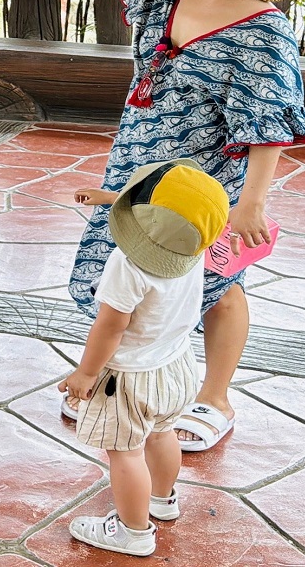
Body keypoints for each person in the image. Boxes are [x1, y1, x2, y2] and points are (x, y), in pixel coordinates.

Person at [62, 0, 305, 452]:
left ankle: (214, 397)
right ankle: (117, 376)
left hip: (207, 180)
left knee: (214, 287)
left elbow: (271, 118)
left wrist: (252, 201)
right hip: (137, 161)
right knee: (129, 271)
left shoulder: (264, 30)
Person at [59, 159, 230, 557]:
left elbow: (110, 327)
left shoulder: (127, 264)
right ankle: (162, 500)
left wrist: (86, 373)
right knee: (161, 433)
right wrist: (110, 199)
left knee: (125, 454)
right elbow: (172, 219)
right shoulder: (192, 246)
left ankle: (133, 532)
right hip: (175, 366)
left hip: (128, 378)